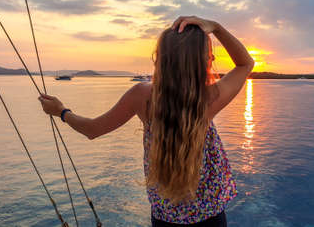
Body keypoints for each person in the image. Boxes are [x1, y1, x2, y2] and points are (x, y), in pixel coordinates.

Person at [38, 16, 254, 226]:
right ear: (199, 62)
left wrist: (62, 112)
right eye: (209, 54)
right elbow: (245, 63)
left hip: (164, 217)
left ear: (161, 58)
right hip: (210, 217)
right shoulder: (209, 98)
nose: (213, 59)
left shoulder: (142, 96)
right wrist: (216, 27)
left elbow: (93, 129)